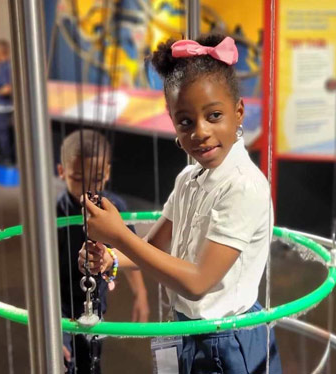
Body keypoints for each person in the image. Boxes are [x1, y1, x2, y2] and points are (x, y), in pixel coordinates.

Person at [79, 34, 282, 373]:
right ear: (173, 123)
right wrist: (110, 258)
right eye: (186, 121)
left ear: (238, 113)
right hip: (189, 331)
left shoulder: (244, 186)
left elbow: (198, 281)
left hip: (228, 339)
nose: (200, 132)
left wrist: (118, 236)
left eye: (214, 115)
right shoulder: (189, 180)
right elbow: (154, 247)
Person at [57, 130, 149, 374]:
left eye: (96, 178)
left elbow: (131, 250)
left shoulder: (115, 207)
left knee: (91, 362)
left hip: (96, 303)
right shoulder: (55, 211)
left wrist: (140, 293)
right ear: (61, 172)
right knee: (62, 362)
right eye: (77, 178)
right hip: (60, 305)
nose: (87, 188)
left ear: (107, 172)